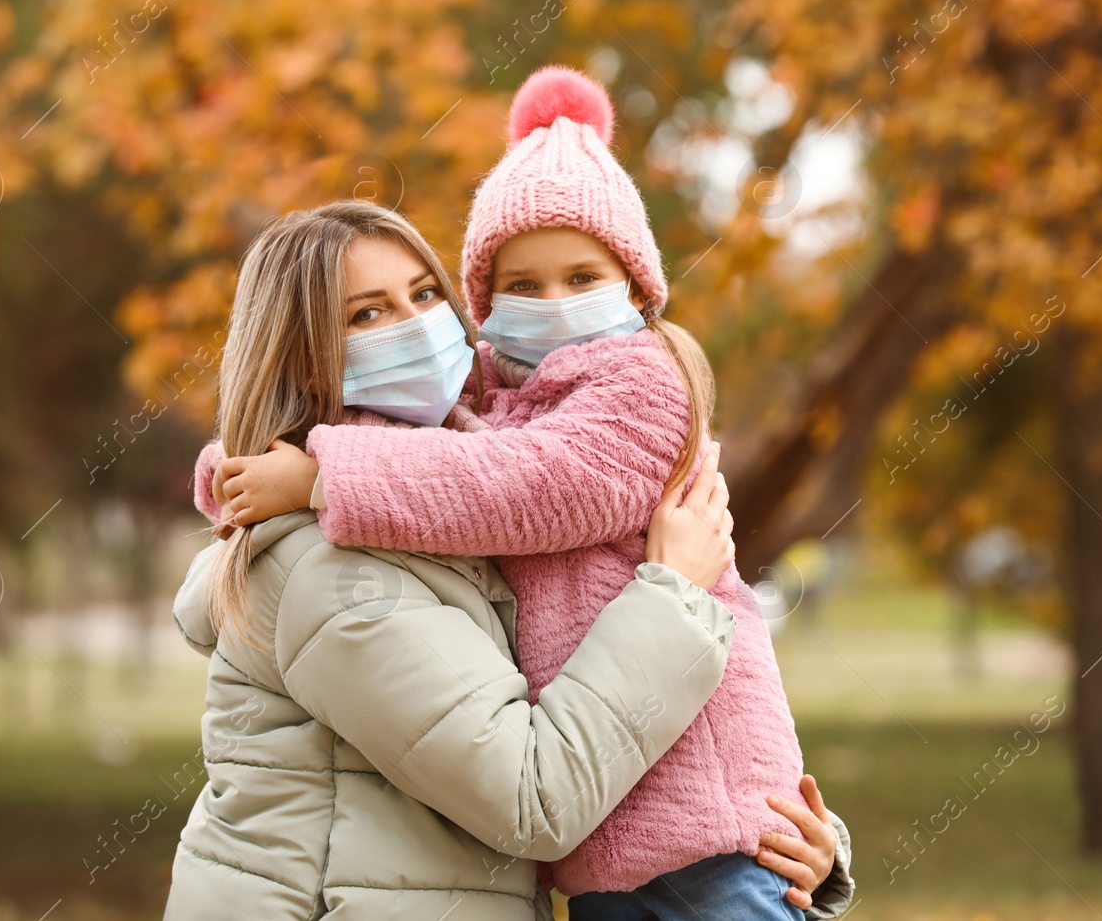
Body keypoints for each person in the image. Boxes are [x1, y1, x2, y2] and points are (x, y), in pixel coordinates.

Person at [203, 69, 852, 919]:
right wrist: (244, 470)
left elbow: (518, 484)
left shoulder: (638, 387)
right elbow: (530, 794)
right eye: (367, 315)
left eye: (425, 295)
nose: (554, 305)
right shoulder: (473, 427)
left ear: (637, 285)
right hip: (609, 861)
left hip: (704, 851)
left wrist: (315, 473)